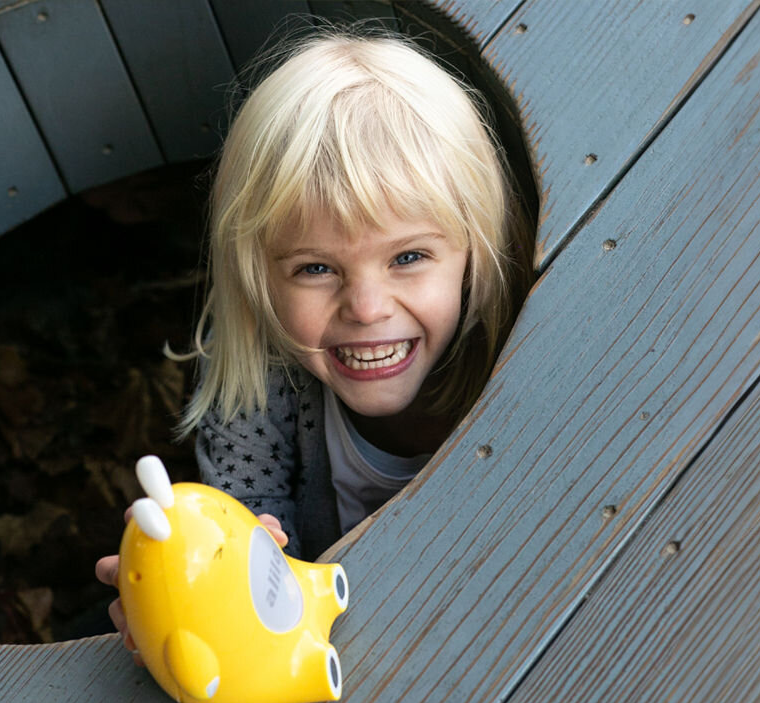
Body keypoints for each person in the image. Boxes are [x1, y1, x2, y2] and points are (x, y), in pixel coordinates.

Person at [95, 27, 532, 659]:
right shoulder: (254, 375)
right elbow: (258, 572)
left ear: (473, 250)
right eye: (316, 268)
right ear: (258, 276)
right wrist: (202, 590)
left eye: (408, 257)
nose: (367, 308)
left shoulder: (525, 346)